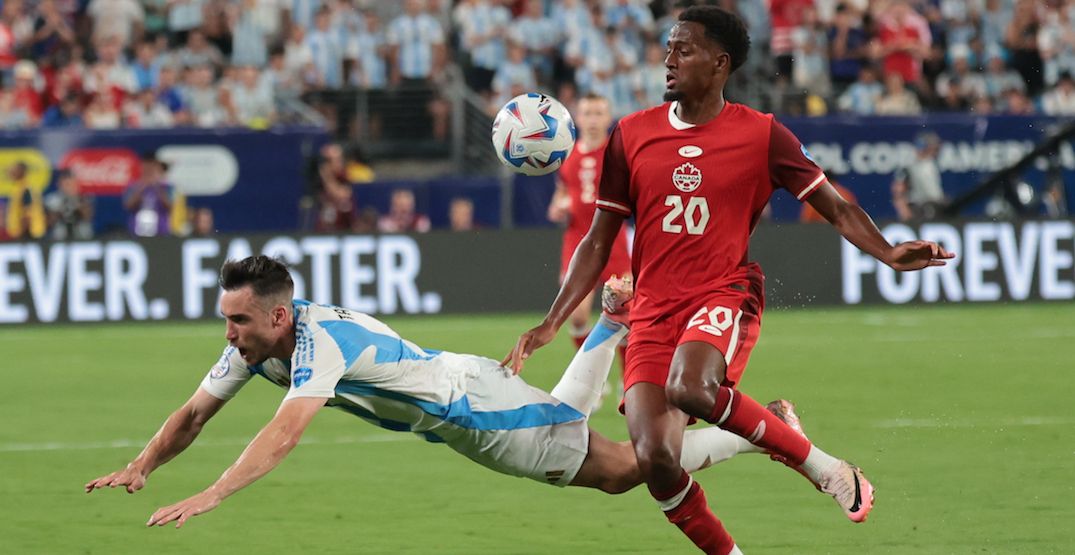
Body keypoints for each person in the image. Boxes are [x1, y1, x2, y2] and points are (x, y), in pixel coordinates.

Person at [505, 7, 954, 554]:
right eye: (668, 48)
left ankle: (827, 469)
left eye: (684, 50)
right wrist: (552, 322)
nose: (669, 60)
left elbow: (835, 207)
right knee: (656, 460)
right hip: (652, 310)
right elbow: (599, 239)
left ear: (720, 64)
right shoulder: (632, 134)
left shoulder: (762, 135)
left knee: (689, 387)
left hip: (722, 293)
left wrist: (886, 251)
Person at [85, 256, 793, 531]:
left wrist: (211, 493)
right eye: (226, 320)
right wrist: (144, 464)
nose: (229, 332)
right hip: (465, 398)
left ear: (276, 314)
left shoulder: (316, 343)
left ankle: (758, 429)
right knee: (579, 433)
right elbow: (192, 414)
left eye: (237, 319)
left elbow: (285, 431)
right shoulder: (255, 347)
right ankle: (611, 320)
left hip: (473, 411)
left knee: (624, 470)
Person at [547, 93, 632, 374]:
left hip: (613, 241)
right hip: (577, 241)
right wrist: (558, 207)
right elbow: (559, 195)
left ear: (609, 118)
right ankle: (591, 378)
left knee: (626, 315)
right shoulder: (567, 153)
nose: (593, 120)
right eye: (587, 113)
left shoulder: (617, 151)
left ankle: (626, 381)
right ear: (577, 118)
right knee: (578, 314)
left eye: (598, 113)